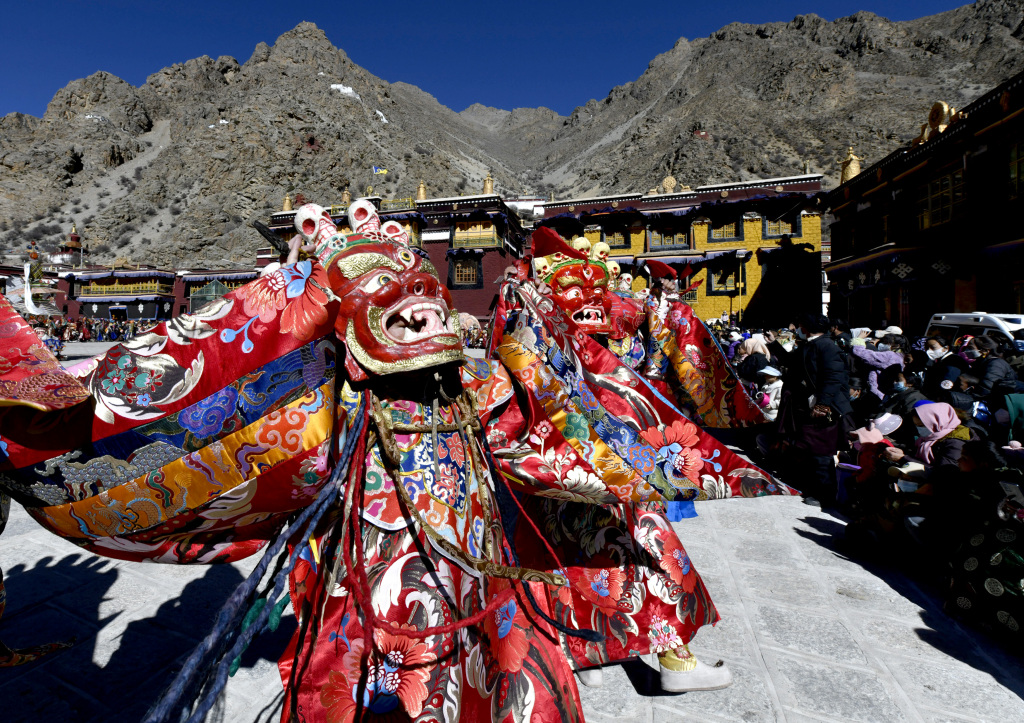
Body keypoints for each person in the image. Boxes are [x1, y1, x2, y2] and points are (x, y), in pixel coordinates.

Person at [767, 312, 854, 506]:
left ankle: (826, 495)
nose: (797, 329)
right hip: (808, 406)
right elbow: (790, 362)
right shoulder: (811, 345)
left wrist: (823, 404)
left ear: (805, 327)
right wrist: (773, 344)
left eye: (799, 326)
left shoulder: (827, 347)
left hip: (824, 409)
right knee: (807, 448)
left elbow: (833, 378)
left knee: (821, 451)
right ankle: (812, 487)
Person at [965, 336, 1020, 404]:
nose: (966, 350)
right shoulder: (981, 362)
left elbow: (986, 389)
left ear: (985, 350)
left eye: (971, 348)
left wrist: (966, 398)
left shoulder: (996, 364)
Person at [851, 334, 906, 399]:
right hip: (887, 393)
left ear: (897, 345)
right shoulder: (901, 356)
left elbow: (860, 353)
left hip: (878, 394)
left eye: (886, 342)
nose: (882, 344)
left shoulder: (889, 356)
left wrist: (859, 340)